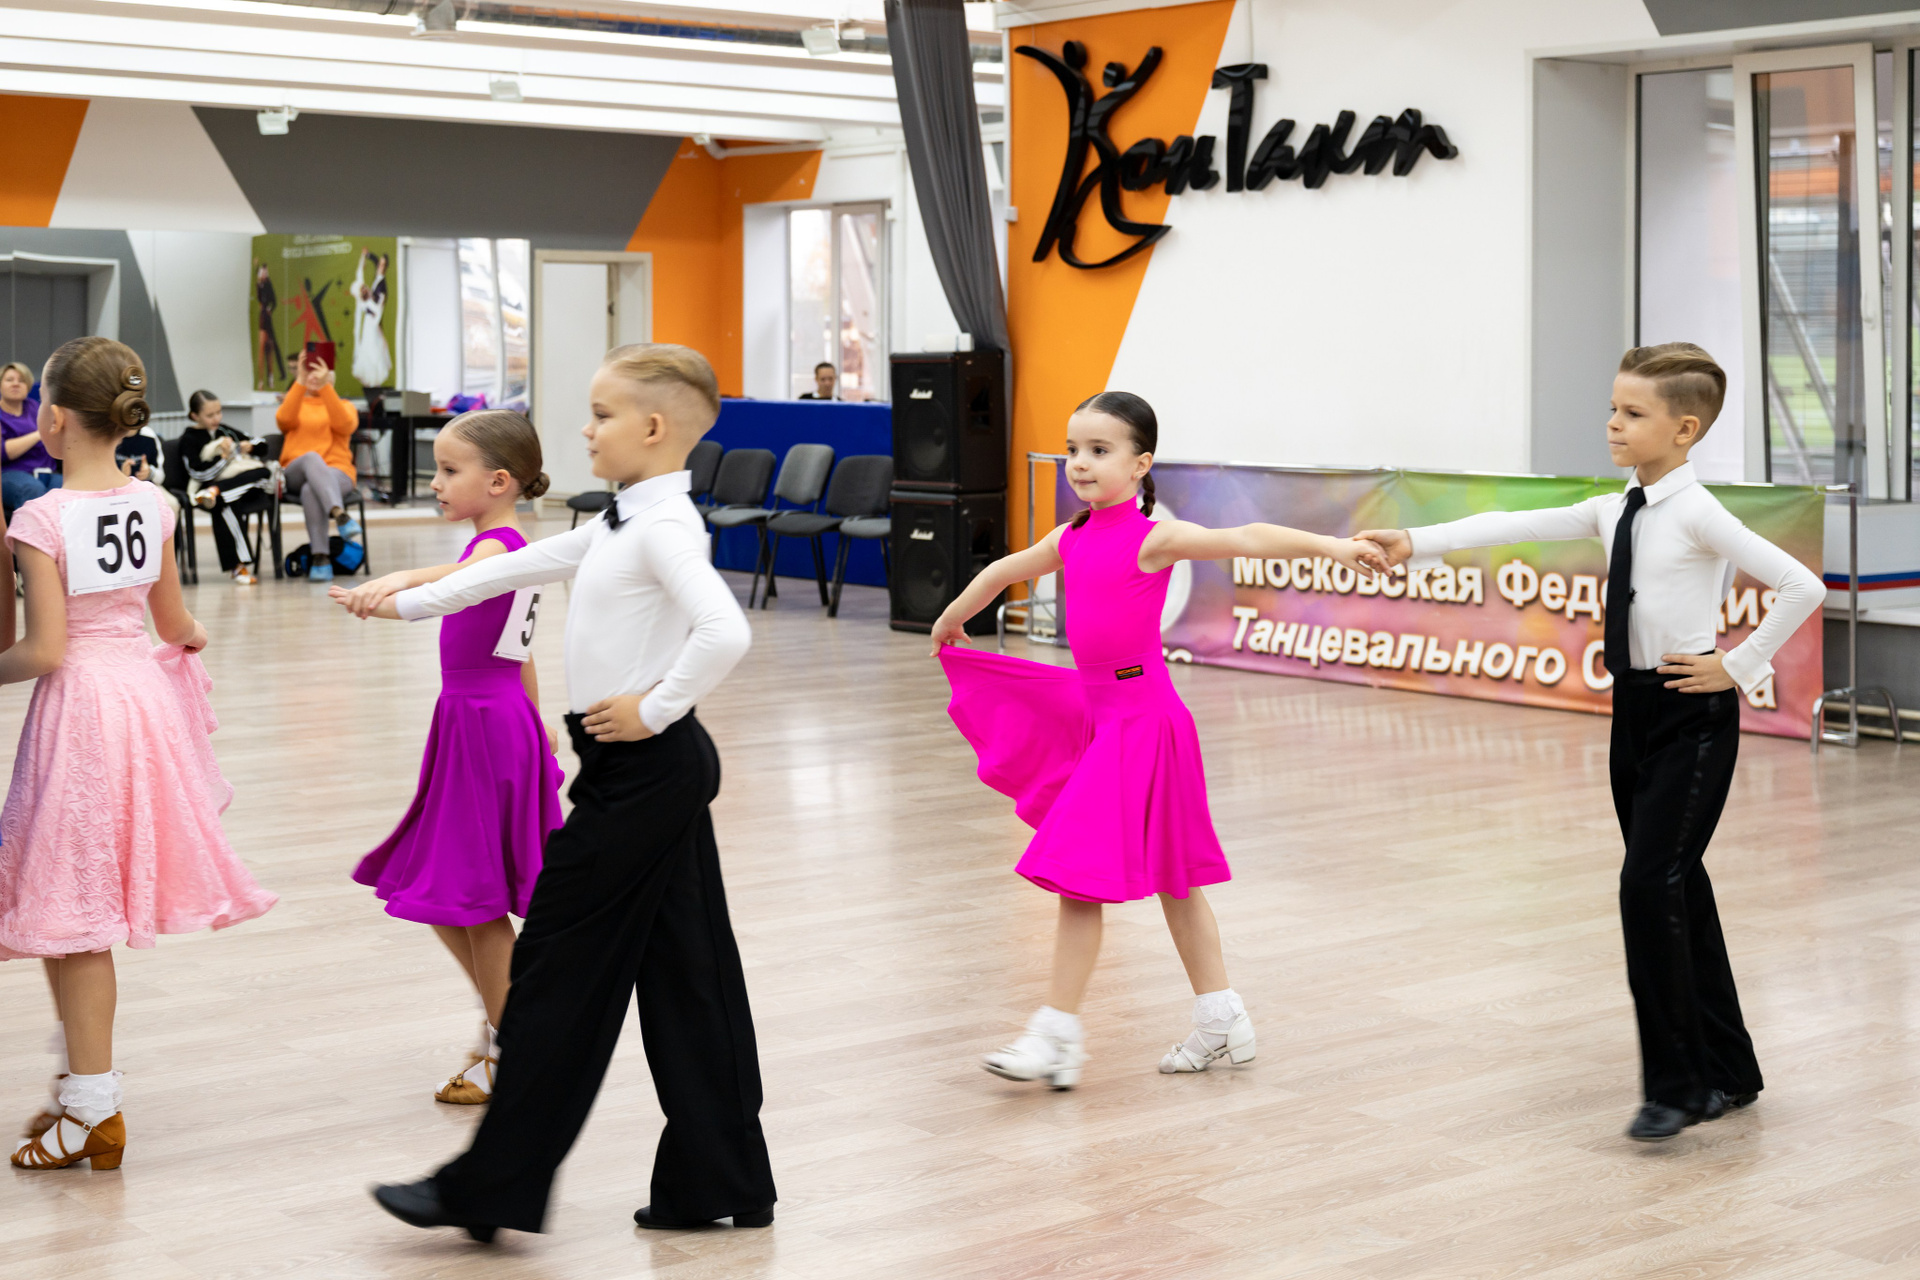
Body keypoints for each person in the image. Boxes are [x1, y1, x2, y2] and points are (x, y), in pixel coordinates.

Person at [341, 343, 775, 1240]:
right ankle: (721, 1179)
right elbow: (511, 569)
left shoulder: (661, 526)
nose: (586, 429)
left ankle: (487, 1188)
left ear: (652, 428)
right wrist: (404, 598)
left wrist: (656, 707)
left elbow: (723, 630)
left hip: (644, 771)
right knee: (691, 976)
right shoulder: (623, 520)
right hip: (646, 770)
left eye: (602, 415)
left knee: (550, 973)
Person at [1357, 343, 1824, 1142]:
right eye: (1613, 408)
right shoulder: (1617, 509)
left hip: (1690, 715)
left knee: (1648, 885)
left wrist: (1738, 664)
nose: (1612, 423)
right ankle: (1730, 1069)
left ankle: (1679, 1088)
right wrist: (1413, 540)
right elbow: (1513, 523)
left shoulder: (1698, 512)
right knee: (1675, 883)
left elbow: (1800, 584)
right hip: (1633, 710)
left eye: (1632, 413)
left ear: (1684, 429)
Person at [931, 391, 1386, 1087]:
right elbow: (1003, 571)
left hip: (1144, 725)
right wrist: (952, 618)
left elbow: (1247, 537)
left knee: (1082, 875)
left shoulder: (1153, 539)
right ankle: (1221, 1018)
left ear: (1140, 464)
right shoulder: (1071, 538)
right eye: (1073, 449)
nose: (1080, 463)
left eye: (1099, 450)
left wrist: (1335, 548)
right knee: (1174, 881)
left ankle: (1056, 1033)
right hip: (1101, 719)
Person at [3, 337, 277, 1172]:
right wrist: (191, 644)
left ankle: (94, 1107)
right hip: (140, 705)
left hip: (81, 711)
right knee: (71, 904)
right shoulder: (156, 503)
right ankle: (78, 1079)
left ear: (53, 419)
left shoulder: (40, 518)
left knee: (77, 910)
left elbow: (43, 650)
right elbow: (175, 622)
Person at [338, 411, 562, 1105]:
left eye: (448, 470)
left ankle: (512, 1047)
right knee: (444, 892)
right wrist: (537, 719)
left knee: (472, 901)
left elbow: (448, 591)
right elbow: (515, 648)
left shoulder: (499, 549)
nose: (435, 482)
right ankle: (509, 1023)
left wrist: (384, 591)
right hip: (489, 720)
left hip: (484, 725)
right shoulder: (508, 547)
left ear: (498, 481)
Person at [277, 348, 362, 583]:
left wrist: (325, 389)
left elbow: (345, 426)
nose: (315, 378)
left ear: (331, 380)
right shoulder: (296, 403)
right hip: (295, 470)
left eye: (321, 375)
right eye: (310, 374)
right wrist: (300, 380)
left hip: (337, 472)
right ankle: (339, 514)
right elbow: (283, 421)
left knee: (310, 490)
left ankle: (320, 559)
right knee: (312, 458)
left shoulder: (345, 406)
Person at [179, 390, 274, 585]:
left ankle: (216, 491)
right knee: (225, 503)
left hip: (236, 486)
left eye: (219, 412)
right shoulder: (189, 439)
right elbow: (197, 473)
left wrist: (250, 447)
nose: (217, 418)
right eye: (210, 415)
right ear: (194, 416)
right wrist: (224, 459)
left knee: (263, 473)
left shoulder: (224, 430)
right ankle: (238, 566)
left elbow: (260, 443)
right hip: (217, 487)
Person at [2, 360, 61, 516]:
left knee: (66, 488)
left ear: (28, 385)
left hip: (48, 471)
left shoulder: (35, 407)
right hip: (11, 473)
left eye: (21, 380)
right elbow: (4, 451)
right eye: (9, 380)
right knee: (33, 490)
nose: (16, 384)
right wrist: (38, 434)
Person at [352, 250, 393, 390]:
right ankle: (368, 379)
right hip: (368, 323)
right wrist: (367, 255)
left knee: (374, 348)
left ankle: (374, 380)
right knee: (367, 347)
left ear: (385, 267)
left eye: (383, 265)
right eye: (379, 264)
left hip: (372, 323)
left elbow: (378, 309)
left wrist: (369, 302)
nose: (380, 266)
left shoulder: (382, 286)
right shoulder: (377, 277)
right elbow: (376, 261)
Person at [256, 261, 286, 385]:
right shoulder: (259, 285)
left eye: (265, 272)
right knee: (262, 348)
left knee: (271, 348)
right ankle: (261, 379)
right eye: (262, 272)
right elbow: (259, 298)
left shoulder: (268, 285)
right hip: (262, 318)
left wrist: (269, 309)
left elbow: (274, 301)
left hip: (268, 319)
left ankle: (272, 376)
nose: (263, 274)